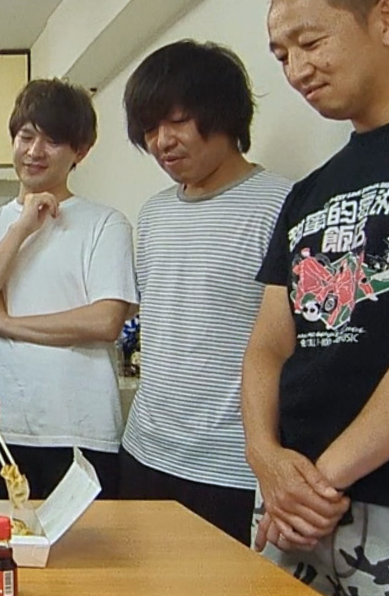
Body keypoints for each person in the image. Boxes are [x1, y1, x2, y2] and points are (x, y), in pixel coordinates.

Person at [245, 0, 389, 596]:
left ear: (387, 20)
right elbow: (268, 346)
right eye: (282, 55)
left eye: (310, 43)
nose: (296, 70)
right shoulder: (308, 192)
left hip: (372, 503)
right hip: (292, 502)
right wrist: (266, 458)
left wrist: (320, 481)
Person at [119, 40, 292, 544]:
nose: (162, 142)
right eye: (150, 128)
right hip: (145, 448)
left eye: (177, 121)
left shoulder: (281, 205)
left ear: (224, 113)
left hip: (231, 465)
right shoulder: (155, 212)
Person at [0, 78, 138, 500]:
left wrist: (6, 323)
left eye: (52, 141)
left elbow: (105, 321)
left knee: (87, 543)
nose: (34, 152)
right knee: (0, 538)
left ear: (80, 152)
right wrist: (21, 229)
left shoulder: (106, 224)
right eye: (26, 136)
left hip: (80, 429)